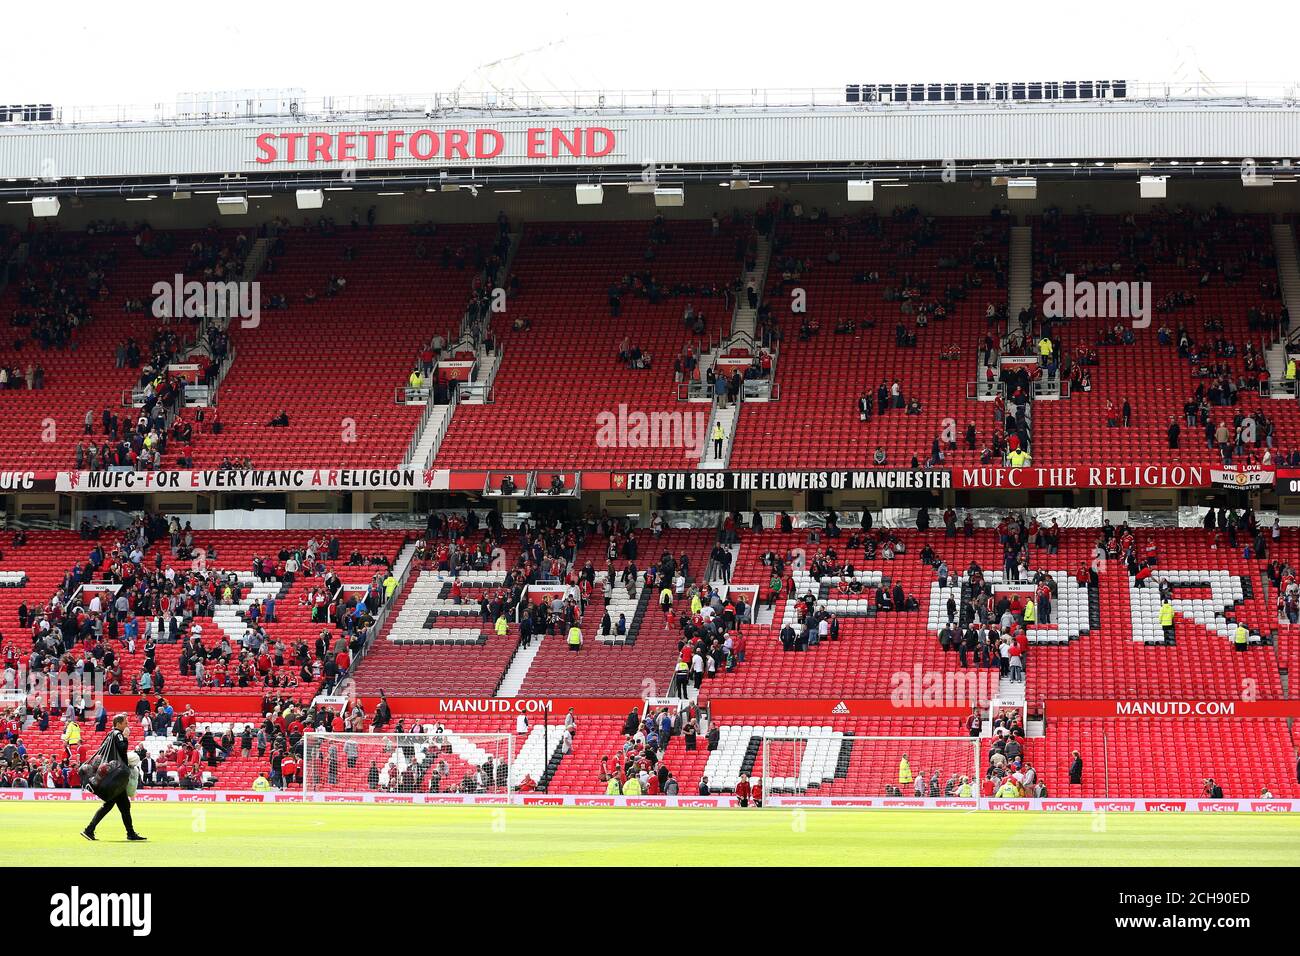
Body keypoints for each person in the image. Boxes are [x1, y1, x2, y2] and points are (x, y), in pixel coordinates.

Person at [81, 714, 146, 842]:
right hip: (115, 774)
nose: (127, 724)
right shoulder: (118, 734)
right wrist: (126, 737)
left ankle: (130, 833)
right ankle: (89, 830)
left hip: (111, 773)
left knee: (123, 806)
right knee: (111, 805)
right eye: (125, 722)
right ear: (118, 723)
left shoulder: (110, 734)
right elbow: (122, 750)